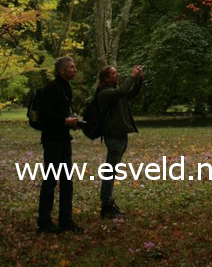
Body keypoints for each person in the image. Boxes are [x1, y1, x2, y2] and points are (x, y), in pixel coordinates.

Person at [36, 55, 83, 234]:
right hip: (52, 141)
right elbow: (44, 115)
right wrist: (64, 121)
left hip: (64, 140)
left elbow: (63, 113)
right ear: (61, 70)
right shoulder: (51, 88)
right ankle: (44, 222)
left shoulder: (66, 88)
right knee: (50, 180)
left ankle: (66, 219)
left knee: (67, 181)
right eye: (71, 67)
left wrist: (73, 123)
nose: (75, 70)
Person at [95, 63, 144, 219]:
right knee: (110, 172)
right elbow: (123, 90)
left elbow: (130, 93)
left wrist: (139, 81)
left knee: (112, 171)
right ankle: (106, 205)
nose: (117, 75)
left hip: (120, 135)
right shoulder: (105, 93)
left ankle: (108, 204)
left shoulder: (115, 92)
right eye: (114, 74)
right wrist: (132, 76)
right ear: (106, 79)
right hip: (113, 136)